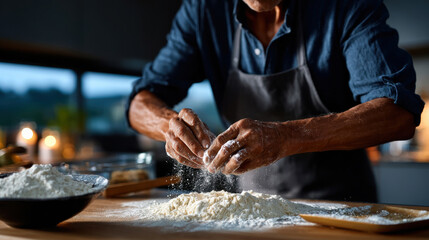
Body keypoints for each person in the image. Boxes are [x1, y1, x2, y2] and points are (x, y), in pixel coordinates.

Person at [127, 0, 424, 202]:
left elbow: (398, 113)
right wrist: (169, 126)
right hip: (251, 210)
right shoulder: (203, 10)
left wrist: (284, 136)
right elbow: (140, 103)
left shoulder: (345, 5)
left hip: (342, 209)